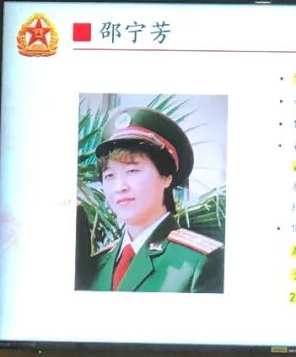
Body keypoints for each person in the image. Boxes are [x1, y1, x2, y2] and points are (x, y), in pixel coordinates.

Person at [86, 106, 224, 293]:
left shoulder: (199, 262)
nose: (120, 187)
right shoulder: (97, 264)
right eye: (109, 175)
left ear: (166, 177)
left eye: (132, 171)